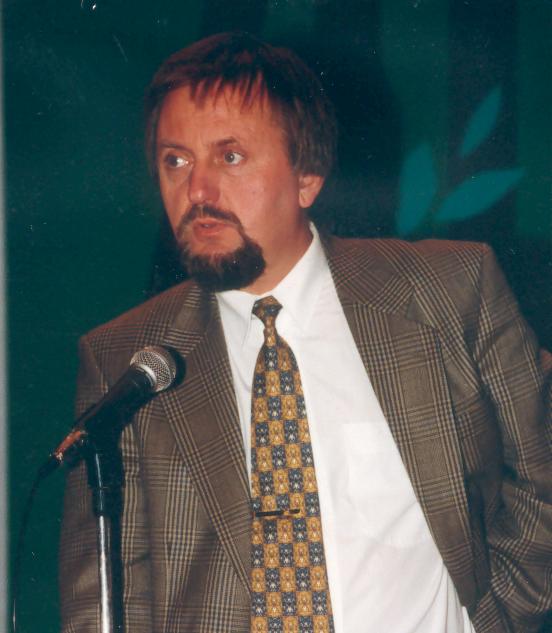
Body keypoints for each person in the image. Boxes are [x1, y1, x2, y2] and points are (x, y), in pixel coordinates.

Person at [59, 32, 552, 633]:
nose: (198, 191)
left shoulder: (446, 292)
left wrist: (495, 618)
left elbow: (542, 470)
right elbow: (104, 603)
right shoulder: (126, 359)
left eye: (230, 157)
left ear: (307, 176)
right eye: (176, 161)